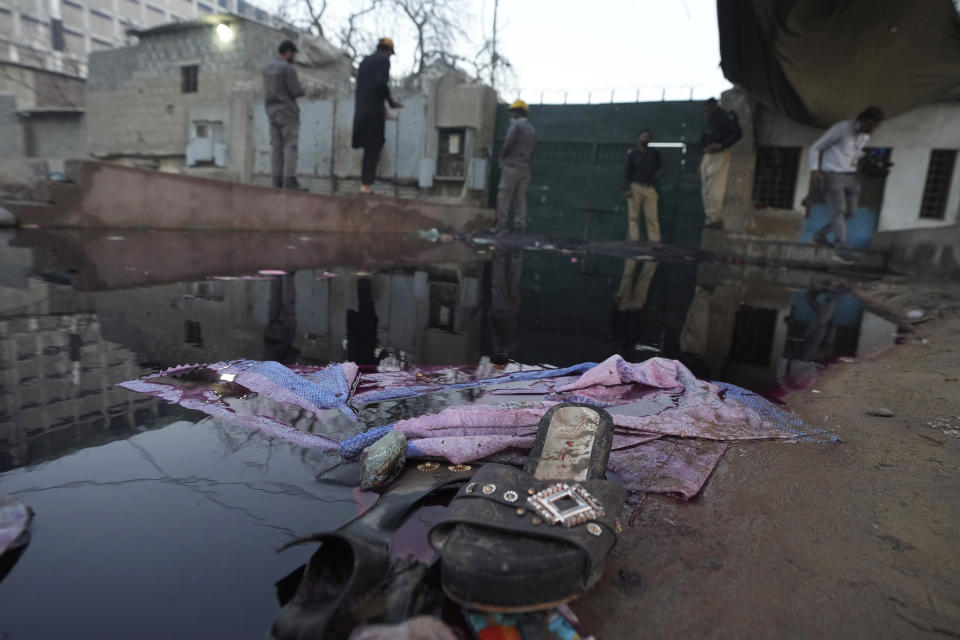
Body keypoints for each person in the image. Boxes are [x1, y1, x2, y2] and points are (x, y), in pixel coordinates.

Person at [808, 106, 885, 263]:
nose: (873, 130)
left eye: (876, 127)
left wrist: (870, 156)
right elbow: (816, 147)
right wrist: (815, 169)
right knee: (839, 211)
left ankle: (819, 236)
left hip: (850, 176)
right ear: (863, 120)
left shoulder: (864, 136)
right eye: (871, 126)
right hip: (832, 175)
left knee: (850, 211)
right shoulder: (842, 128)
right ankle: (841, 250)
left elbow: (853, 154)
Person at [353, 38, 402, 194]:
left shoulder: (364, 62)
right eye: (390, 53)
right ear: (388, 51)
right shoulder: (384, 61)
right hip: (374, 112)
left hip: (361, 110)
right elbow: (381, 84)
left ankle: (365, 184)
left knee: (368, 145)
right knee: (375, 144)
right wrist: (390, 101)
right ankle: (366, 185)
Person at [263, 40, 306, 190]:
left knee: (276, 147)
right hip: (287, 112)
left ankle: (276, 181)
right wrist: (303, 88)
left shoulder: (267, 68)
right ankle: (289, 180)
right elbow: (295, 91)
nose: (293, 57)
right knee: (290, 146)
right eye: (293, 54)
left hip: (271, 112)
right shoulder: (287, 68)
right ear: (288, 52)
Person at [494, 99, 536, 234]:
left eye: (512, 113)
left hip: (511, 166)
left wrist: (501, 156)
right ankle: (520, 227)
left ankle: (501, 226)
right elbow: (533, 150)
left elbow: (508, 142)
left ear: (517, 113)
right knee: (520, 199)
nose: (510, 116)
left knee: (504, 196)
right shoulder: (531, 129)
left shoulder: (515, 126)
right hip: (525, 168)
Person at [700, 98, 742, 229]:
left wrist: (721, 145)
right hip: (708, 155)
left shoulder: (727, 116)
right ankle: (710, 219)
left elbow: (737, 134)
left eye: (708, 108)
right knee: (706, 189)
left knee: (716, 187)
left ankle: (716, 219)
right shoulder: (710, 120)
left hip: (720, 154)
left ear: (714, 106)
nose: (706, 112)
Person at [622, 129, 662, 242]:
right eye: (644, 136)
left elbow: (658, 167)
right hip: (635, 186)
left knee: (652, 216)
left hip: (649, 187)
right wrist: (627, 188)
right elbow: (627, 171)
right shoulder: (633, 154)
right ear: (639, 138)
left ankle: (654, 241)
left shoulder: (654, 153)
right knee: (633, 216)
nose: (646, 138)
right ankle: (633, 241)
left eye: (648, 137)